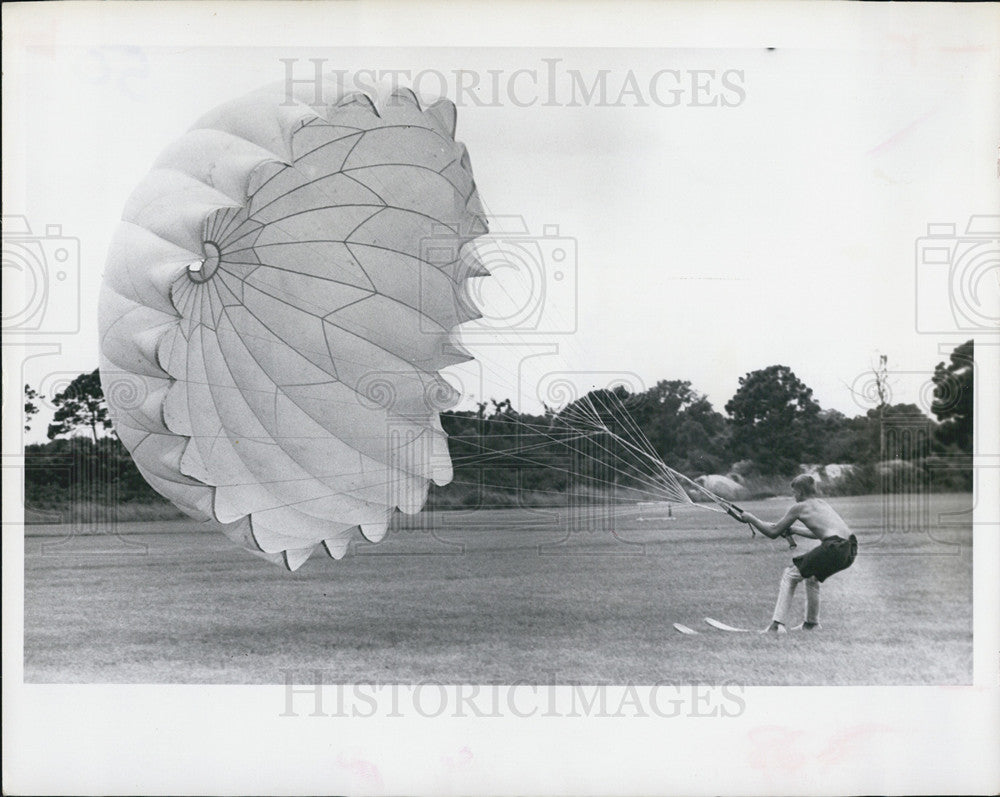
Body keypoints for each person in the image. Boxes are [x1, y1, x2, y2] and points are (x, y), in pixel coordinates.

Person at [740, 474, 858, 634]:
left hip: (835, 546)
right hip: (850, 548)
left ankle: (776, 626)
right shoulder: (822, 504)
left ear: (801, 492)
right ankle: (811, 624)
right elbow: (820, 533)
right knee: (812, 577)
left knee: (790, 574)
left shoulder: (799, 507)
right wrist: (795, 529)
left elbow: (773, 532)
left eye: (794, 492)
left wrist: (751, 518)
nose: (793, 496)